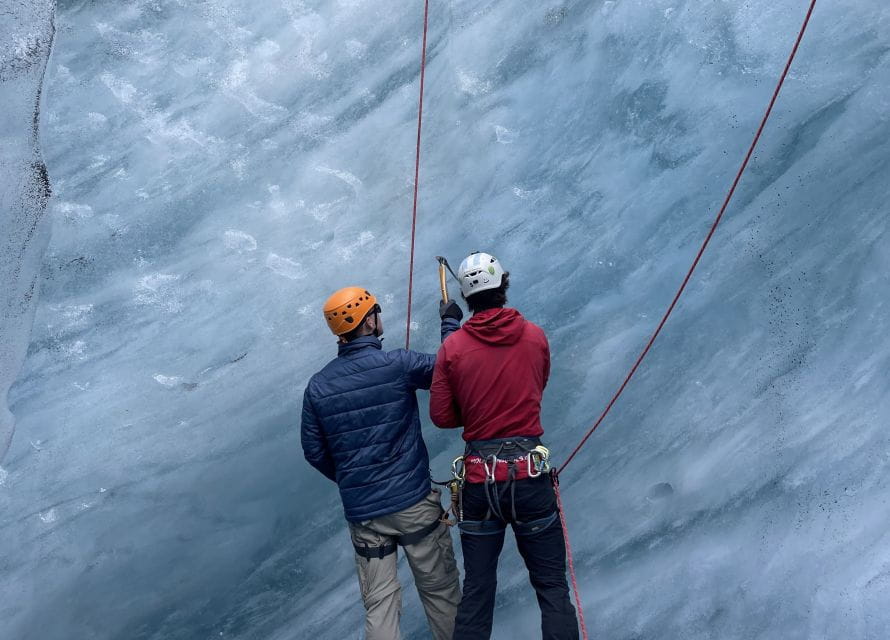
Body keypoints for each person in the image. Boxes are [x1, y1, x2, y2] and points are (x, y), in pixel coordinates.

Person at [429, 253, 580, 639]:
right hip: (530, 478)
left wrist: (454, 344)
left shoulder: (454, 348)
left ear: (465, 297)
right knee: (552, 590)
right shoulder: (534, 336)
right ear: (503, 285)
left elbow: (443, 417)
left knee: (478, 593)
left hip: (481, 483)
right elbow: (534, 386)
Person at [301, 286, 465, 640]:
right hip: (414, 505)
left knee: (380, 605)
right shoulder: (398, 365)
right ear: (368, 320)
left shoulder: (317, 387)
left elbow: (314, 452)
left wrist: (353, 480)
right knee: (440, 593)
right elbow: (451, 368)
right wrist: (450, 323)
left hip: (364, 514)